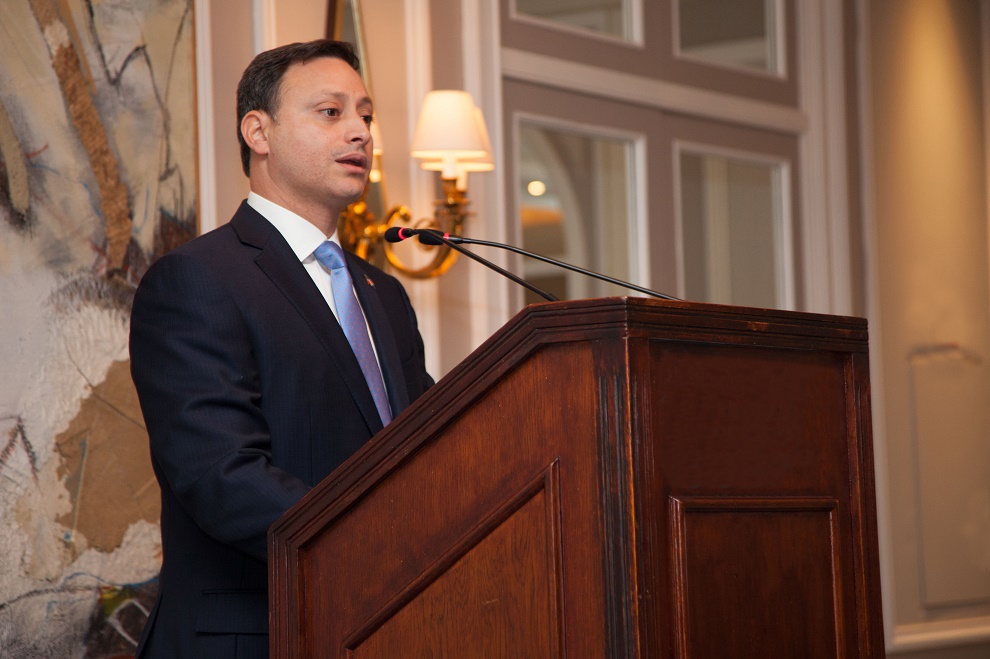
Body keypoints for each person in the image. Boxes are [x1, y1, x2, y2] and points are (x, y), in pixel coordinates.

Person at [129, 39, 434, 658]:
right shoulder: (198, 279)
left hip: (380, 626)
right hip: (254, 635)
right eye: (331, 112)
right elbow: (222, 476)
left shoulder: (383, 294)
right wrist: (388, 538)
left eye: (366, 116)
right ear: (258, 131)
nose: (360, 133)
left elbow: (428, 446)